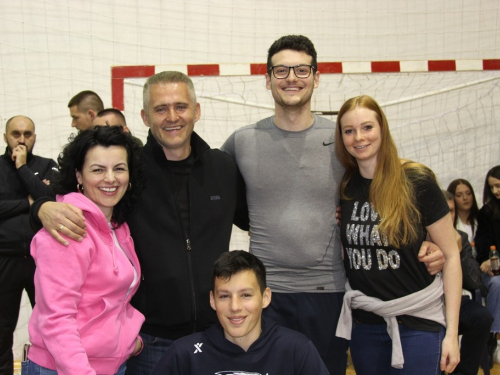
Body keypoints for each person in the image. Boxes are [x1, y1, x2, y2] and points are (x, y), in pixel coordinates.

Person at [221, 34, 444, 375]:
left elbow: (389, 192)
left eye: (301, 69)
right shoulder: (242, 142)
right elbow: (213, 194)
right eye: (281, 71)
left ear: (316, 77)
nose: (291, 78)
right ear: (267, 80)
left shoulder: (342, 141)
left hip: (329, 293)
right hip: (265, 292)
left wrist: (441, 241)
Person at [30, 71, 248, 374]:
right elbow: (78, 196)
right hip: (150, 339)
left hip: (213, 333)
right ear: (146, 117)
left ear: (196, 111)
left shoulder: (222, 167)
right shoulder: (128, 171)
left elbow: (255, 218)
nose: (172, 117)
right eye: (160, 109)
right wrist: (41, 207)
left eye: (181, 106)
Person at [334, 95, 461, 374]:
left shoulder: (416, 179)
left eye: (367, 127)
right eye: (349, 130)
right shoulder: (346, 185)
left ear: (382, 129)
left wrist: (452, 334)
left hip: (416, 325)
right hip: (366, 327)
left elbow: (451, 255)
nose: (359, 137)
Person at [22, 126, 145, 375]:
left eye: (119, 168)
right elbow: (57, 319)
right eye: (98, 169)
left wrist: (129, 342)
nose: (110, 178)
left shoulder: (116, 227)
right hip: (65, 368)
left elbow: (112, 299)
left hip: (108, 365)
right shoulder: (68, 228)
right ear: (79, 175)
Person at [151, 250, 329, 375]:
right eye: (224, 296)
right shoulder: (184, 353)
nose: (235, 306)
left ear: (265, 297)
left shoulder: (297, 349)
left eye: (245, 295)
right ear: (212, 300)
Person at [0, 115, 57, 375]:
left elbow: (49, 198)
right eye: (16, 134)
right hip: (5, 259)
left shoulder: (47, 166)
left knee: (50, 326)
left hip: (41, 261)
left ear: (34, 136)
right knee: (2, 329)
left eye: (27, 134)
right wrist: (27, 203)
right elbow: (37, 200)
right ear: (5, 137)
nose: (21, 140)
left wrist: (23, 168)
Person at [443, 189, 492, 375]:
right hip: (429, 302)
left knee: (482, 317)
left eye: (452, 211)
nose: (449, 215)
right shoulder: (422, 236)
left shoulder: (461, 238)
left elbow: (474, 281)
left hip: (454, 300)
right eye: (444, 210)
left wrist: (458, 253)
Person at [475, 165, 500, 367]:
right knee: (497, 284)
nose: (496, 191)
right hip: (494, 268)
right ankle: (492, 336)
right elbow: (483, 243)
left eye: (499, 186)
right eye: (492, 187)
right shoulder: (486, 213)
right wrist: (485, 260)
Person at [447, 179, 479, 243]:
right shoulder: (449, 223)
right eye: (459, 195)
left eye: (468, 193)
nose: (465, 198)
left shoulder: (481, 219)